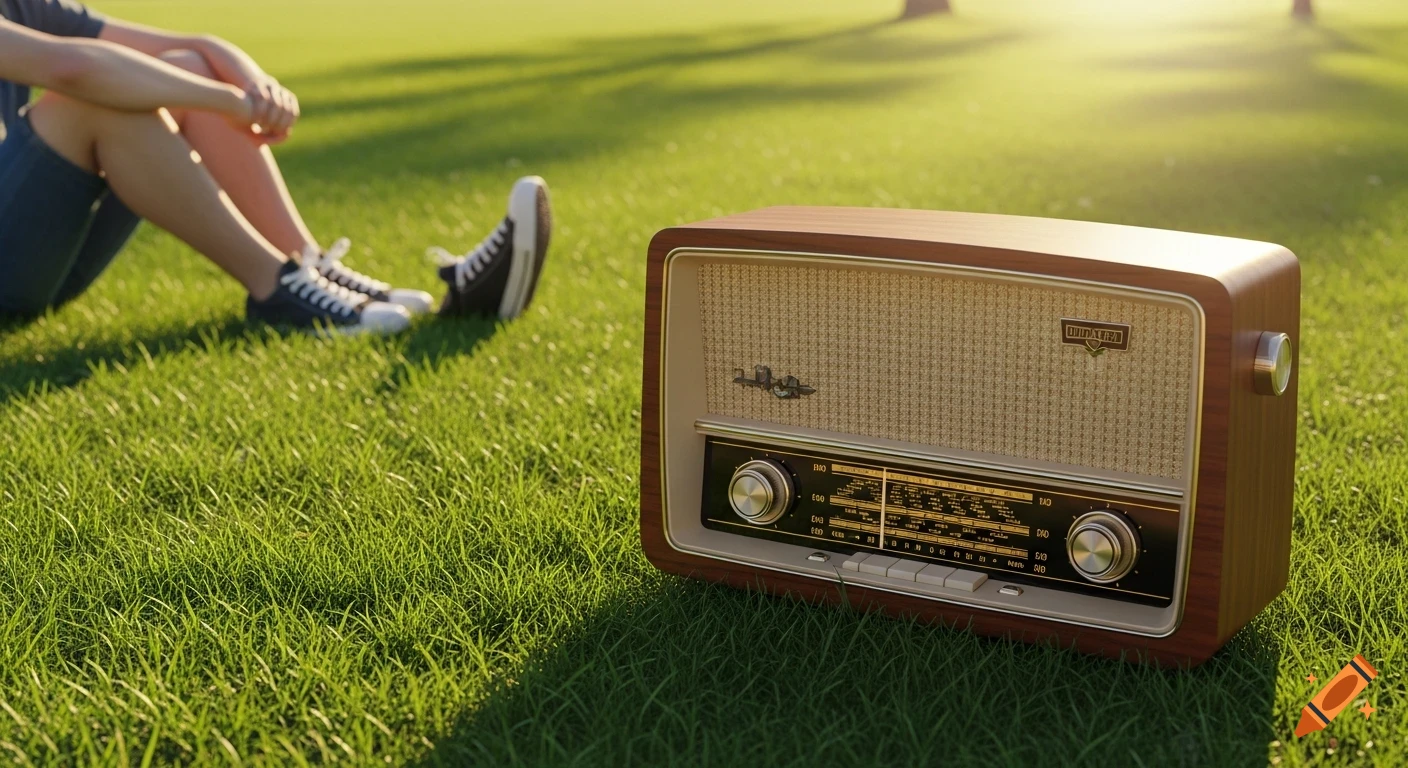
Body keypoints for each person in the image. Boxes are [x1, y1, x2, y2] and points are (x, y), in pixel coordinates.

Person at [0, 0, 551, 334]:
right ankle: (277, 290)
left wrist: (251, 82)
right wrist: (229, 101)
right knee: (93, 100)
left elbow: (196, 47)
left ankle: (307, 266)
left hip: (31, 264)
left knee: (184, 71)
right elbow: (70, 69)